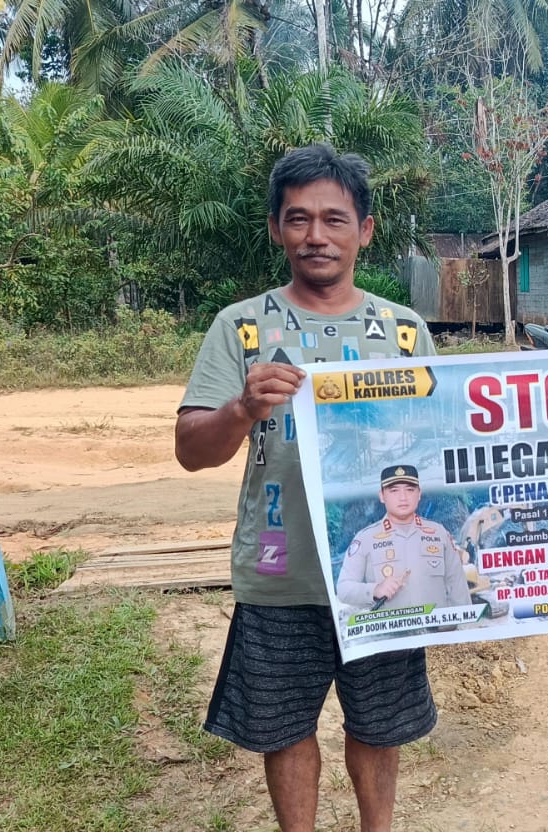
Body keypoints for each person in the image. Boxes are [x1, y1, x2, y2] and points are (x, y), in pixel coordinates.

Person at [174, 143, 438, 832]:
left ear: (365, 230)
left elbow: (439, 446)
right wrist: (241, 407)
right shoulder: (241, 328)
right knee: (285, 727)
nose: (316, 235)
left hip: (387, 569)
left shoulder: (404, 334)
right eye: (298, 219)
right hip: (280, 568)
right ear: (275, 229)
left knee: (379, 725)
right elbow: (191, 452)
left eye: (334, 219)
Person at [337, 465, 472, 611]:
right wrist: (375, 589)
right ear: (382, 496)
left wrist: (465, 621)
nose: (403, 497)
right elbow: (344, 589)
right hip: (389, 625)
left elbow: (458, 587)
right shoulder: (365, 539)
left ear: (419, 494)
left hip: (435, 624)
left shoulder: (439, 533)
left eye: (410, 490)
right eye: (394, 491)